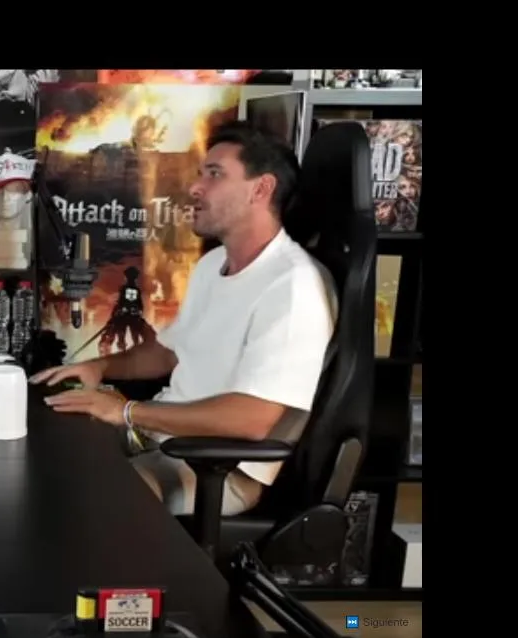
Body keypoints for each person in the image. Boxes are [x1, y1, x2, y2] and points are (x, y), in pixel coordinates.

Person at [32, 123, 336, 516]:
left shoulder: (294, 287)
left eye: (214, 174)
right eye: (200, 174)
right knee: (44, 444)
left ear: (261, 189)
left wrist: (125, 411)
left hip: (217, 468)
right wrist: (98, 367)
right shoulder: (214, 264)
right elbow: (167, 351)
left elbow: (253, 419)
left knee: (94, 501)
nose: (195, 187)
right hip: (161, 436)